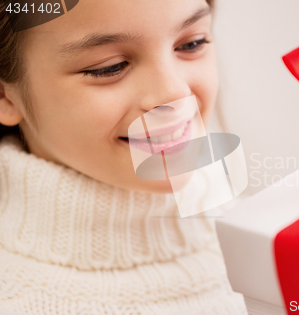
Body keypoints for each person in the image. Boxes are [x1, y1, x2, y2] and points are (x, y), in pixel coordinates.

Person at [0, 0, 248, 314]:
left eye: (192, 44)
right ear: (4, 94)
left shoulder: (261, 229)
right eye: (110, 67)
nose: (174, 93)